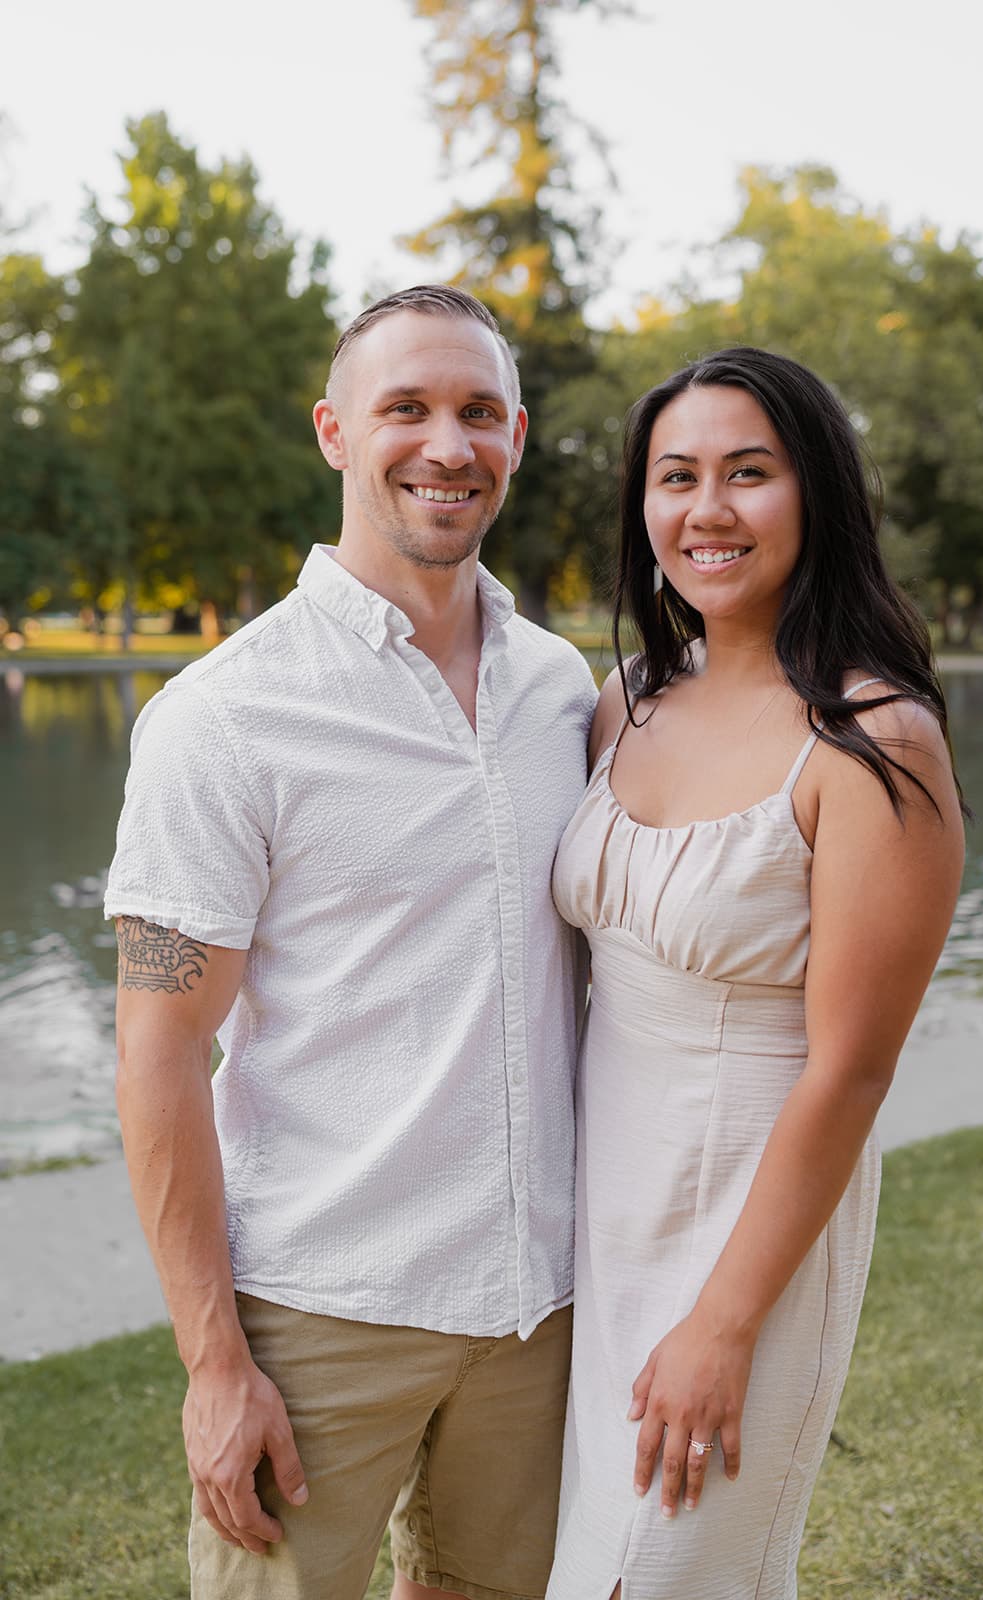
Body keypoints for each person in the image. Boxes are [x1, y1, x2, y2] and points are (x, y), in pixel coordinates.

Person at [104, 284, 597, 1600]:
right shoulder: (225, 719)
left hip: (537, 1307)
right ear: (334, 432)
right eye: (407, 409)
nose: (447, 444)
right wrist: (216, 1365)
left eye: (477, 412)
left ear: (517, 434)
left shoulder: (560, 689)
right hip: (322, 1312)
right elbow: (158, 1057)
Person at [547, 347, 965, 1599]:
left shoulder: (874, 740)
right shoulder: (623, 702)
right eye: (675, 477)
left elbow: (850, 1069)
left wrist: (723, 1321)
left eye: (748, 472)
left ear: (816, 494)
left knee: (674, 1569)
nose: (706, 510)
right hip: (603, 1206)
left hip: (751, 1215)